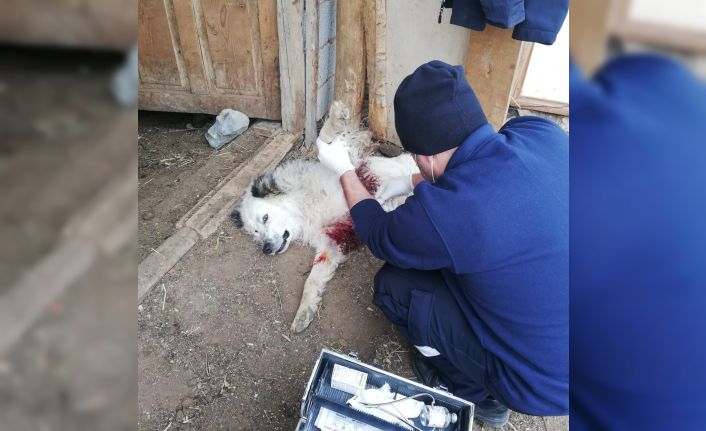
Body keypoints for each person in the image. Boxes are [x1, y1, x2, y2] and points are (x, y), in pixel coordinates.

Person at [316, 60, 568, 426]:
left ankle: (482, 397)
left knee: (394, 286)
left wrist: (343, 170)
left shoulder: (449, 213)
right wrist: (416, 179)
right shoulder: (543, 132)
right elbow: (477, 170)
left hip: (542, 383)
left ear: (426, 155)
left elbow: (377, 233)